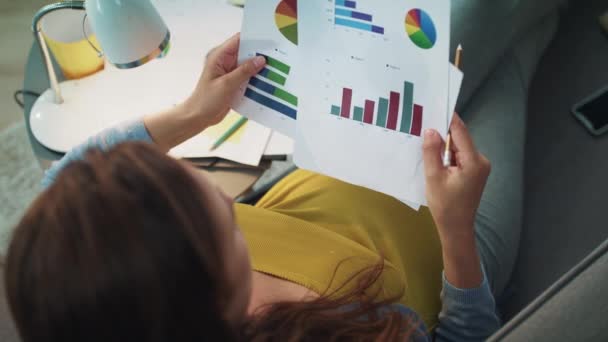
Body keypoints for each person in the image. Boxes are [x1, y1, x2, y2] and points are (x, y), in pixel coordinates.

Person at [4, 34, 520, 341]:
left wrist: (192, 114)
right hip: (453, 242)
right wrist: (456, 229)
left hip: (360, 166)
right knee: (516, 60)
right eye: (226, 221)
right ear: (218, 298)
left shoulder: (113, 269)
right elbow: (464, 336)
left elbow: (65, 177)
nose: (232, 198)